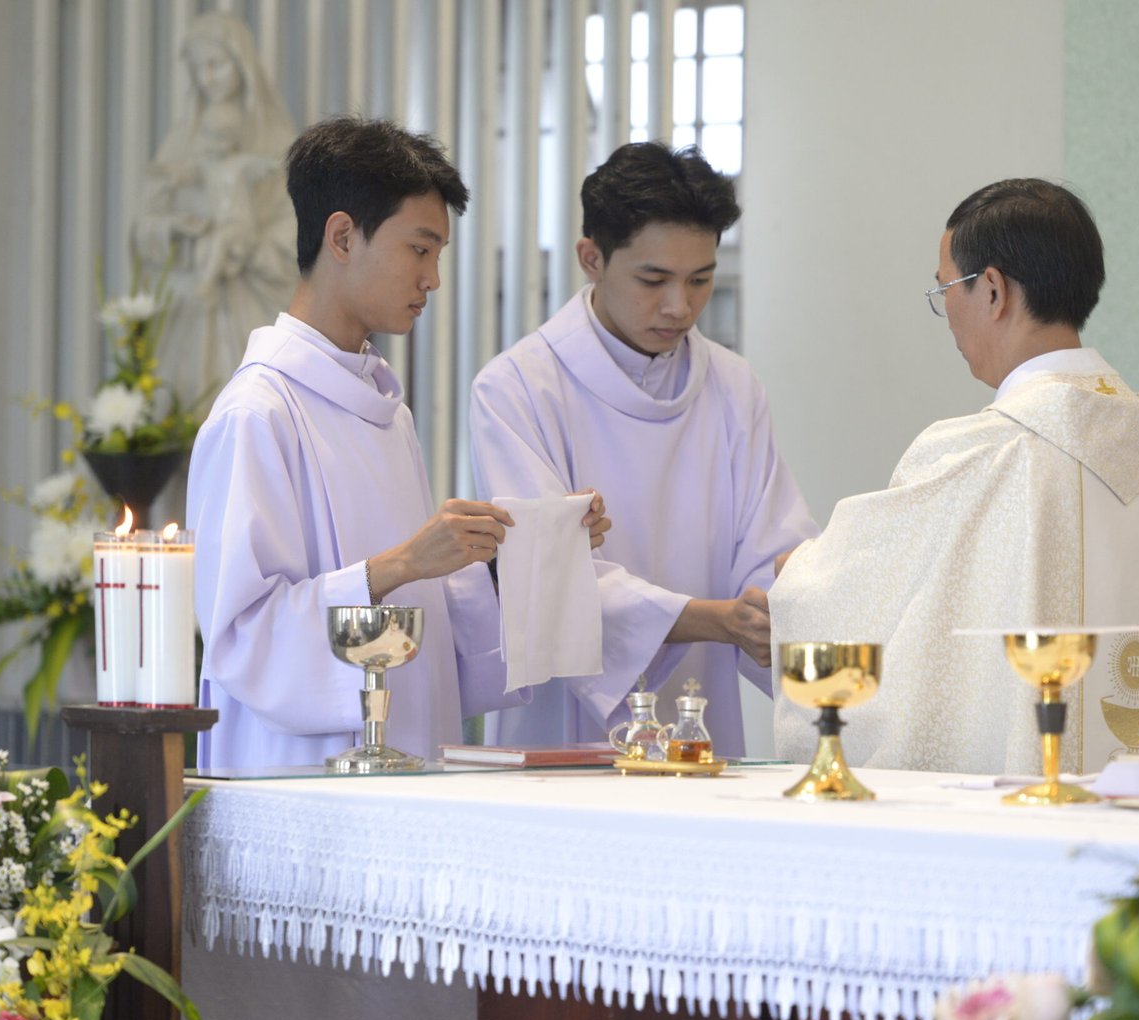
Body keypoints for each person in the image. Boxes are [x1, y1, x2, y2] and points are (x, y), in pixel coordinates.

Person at [188, 117, 609, 769]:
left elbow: (428, 629)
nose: (433, 278)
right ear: (342, 237)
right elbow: (242, 639)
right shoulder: (258, 413)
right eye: (420, 249)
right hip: (297, 776)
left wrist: (514, 556)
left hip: (403, 766)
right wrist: (402, 564)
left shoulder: (386, 411)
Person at [769, 178, 1139, 775]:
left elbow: (846, 600)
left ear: (994, 290)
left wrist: (794, 575)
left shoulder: (984, 451)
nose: (946, 311)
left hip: (1019, 815)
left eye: (946, 287)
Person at [469, 142, 818, 755]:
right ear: (591, 258)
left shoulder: (733, 386)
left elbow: (771, 547)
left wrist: (775, 606)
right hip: (565, 735)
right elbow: (546, 581)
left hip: (699, 719)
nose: (679, 306)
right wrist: (715, 620)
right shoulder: (517, 387)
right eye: (653, 280)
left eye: (700, 279)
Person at [133, 12, 300, 410]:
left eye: (216, 63)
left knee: (254, 402)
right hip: (189, 303)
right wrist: (175, 228)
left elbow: (299, 223)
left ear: (241, 62)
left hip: (256, 296)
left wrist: (255, 249)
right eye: (198, 68)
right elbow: (145, 224)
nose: (207, 78)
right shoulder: (182, 142)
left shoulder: (278, 140)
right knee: (187, 403)